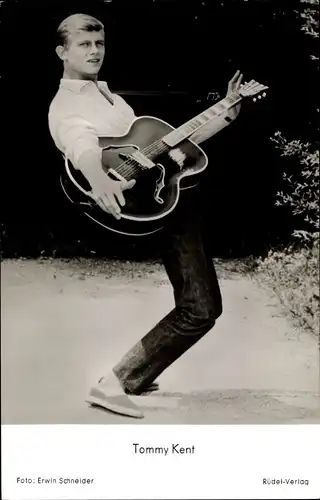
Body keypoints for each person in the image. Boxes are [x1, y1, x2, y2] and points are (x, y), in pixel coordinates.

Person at [48, 13, 244, 419]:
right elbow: (79, 144)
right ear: (62, 52)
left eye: (99, 44)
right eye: (84, 45)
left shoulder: (112, 100)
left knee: (198, 304)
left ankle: (135, 374)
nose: (94, 51)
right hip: (150, 205)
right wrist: (99, 180)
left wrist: (225, 112)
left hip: (166, 200)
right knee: (201, 309)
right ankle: (116, 382)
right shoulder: (67, 105)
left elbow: (168, 147)